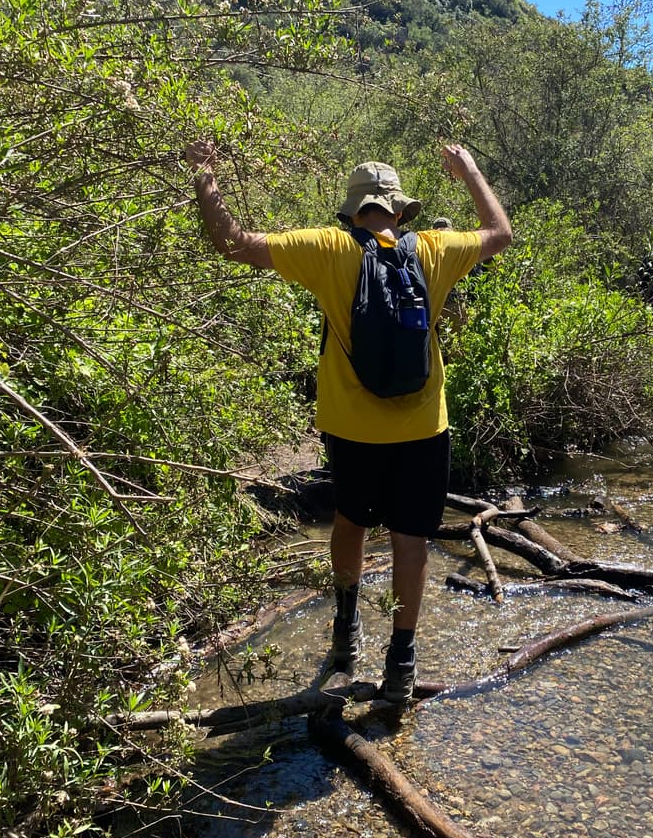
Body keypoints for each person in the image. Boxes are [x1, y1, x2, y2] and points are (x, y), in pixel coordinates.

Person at [185, 141, 512, 704]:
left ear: (352, 208)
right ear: (401, 210)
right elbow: (500, 233)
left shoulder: (328, 247)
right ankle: (401, 661)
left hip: (351, 429)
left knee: (350, 522)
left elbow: (231, 242)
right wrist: (471, 171)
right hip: (423, 430)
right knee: (412, 541)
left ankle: (345, 633)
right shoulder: (433, 249)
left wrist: (204, 173)